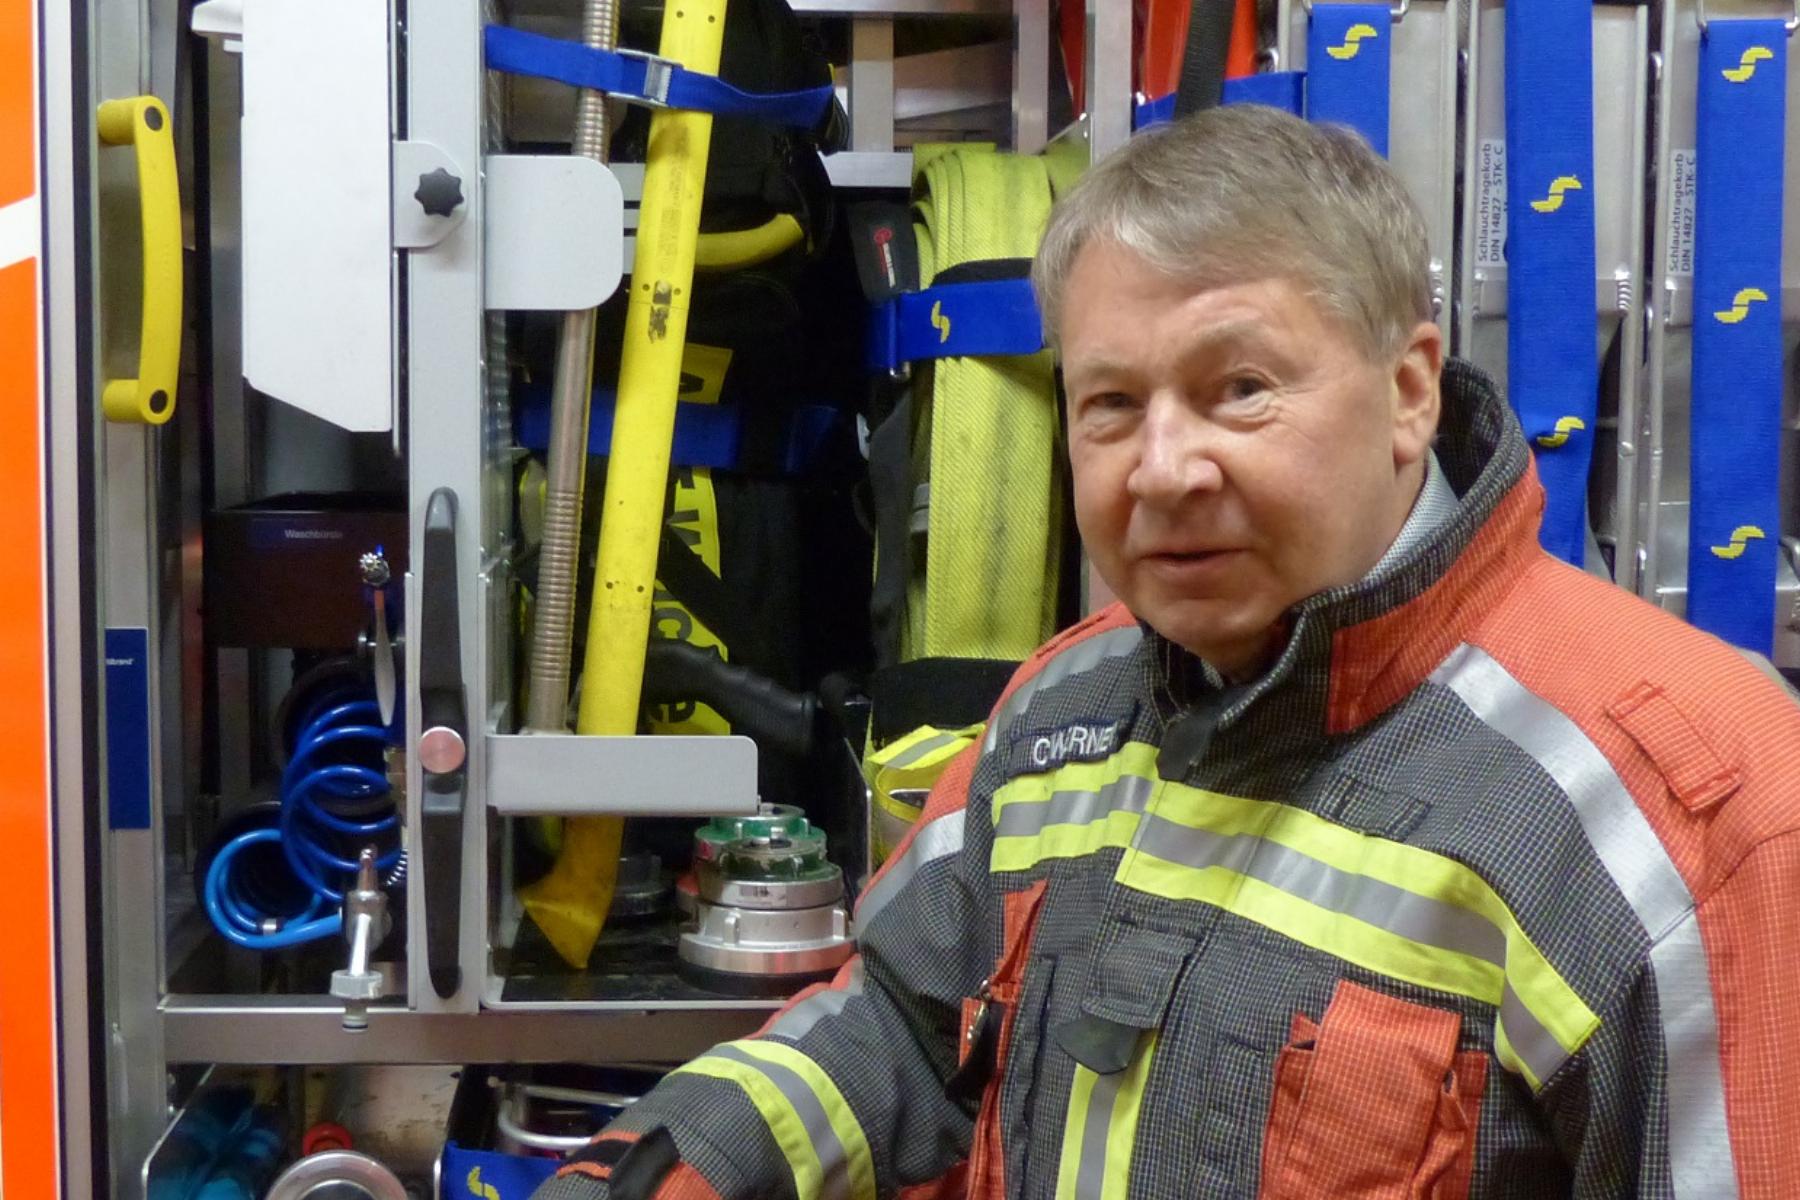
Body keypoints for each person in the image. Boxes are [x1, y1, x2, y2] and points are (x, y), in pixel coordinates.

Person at [533, 105, 1800, 1200]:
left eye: (1240, 387)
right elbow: (900, 1034)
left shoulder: (1693, 812)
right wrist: (650, 1171)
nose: (1165, 470)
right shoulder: (1059, 708)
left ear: (1411, 391)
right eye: (1113, 404)